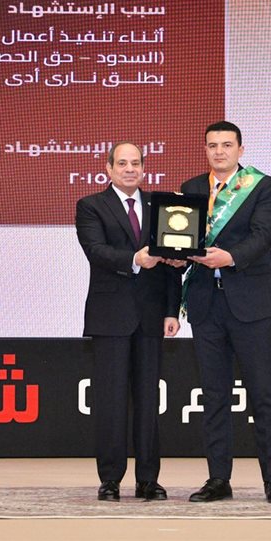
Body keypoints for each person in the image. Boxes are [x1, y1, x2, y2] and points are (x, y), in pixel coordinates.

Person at [181, 121, 271, 504]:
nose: (219, 151)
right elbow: (181, 239)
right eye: (212, 145)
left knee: (263, 394)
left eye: (227, 145)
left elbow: (262, 236)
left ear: (241, 150)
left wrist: (229, 258)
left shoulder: (263, 186)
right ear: (205, 150)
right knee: (214, 396)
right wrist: (175, 256)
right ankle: (217, 480)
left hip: (252, 305)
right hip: (205, 305)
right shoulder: (191, 188)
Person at [75, 142, 182, 501]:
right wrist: (135, 259)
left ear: (143, 167)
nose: (130, 169)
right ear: (108, 168)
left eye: (135, 163)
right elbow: (96, 251)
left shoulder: (161, 207)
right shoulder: (91, 206)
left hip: (151, 318)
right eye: (122, 163)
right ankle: (110, 479)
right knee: (111, 401)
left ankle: (148, 480)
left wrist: (172, 310)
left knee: (148, 402)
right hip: (110, 317)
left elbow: (172, 262)